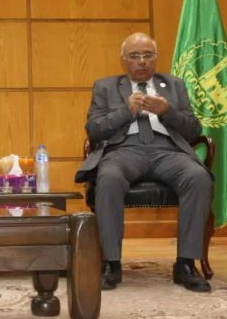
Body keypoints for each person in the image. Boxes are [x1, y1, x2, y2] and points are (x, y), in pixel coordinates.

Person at [74, 32, 213, 293]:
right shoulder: (105, 86)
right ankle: (111, 264)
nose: (141, 61)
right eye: (135, 55)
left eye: (148, 55)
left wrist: (167, 112)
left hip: (168, 151)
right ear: (124, 59)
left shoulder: (174, 85)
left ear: (156, 58)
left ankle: (185, 264)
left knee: (198, 177)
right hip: (124, 151)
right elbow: (94, 129)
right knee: (109, 178)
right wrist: (126, 111)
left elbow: (193, 129)